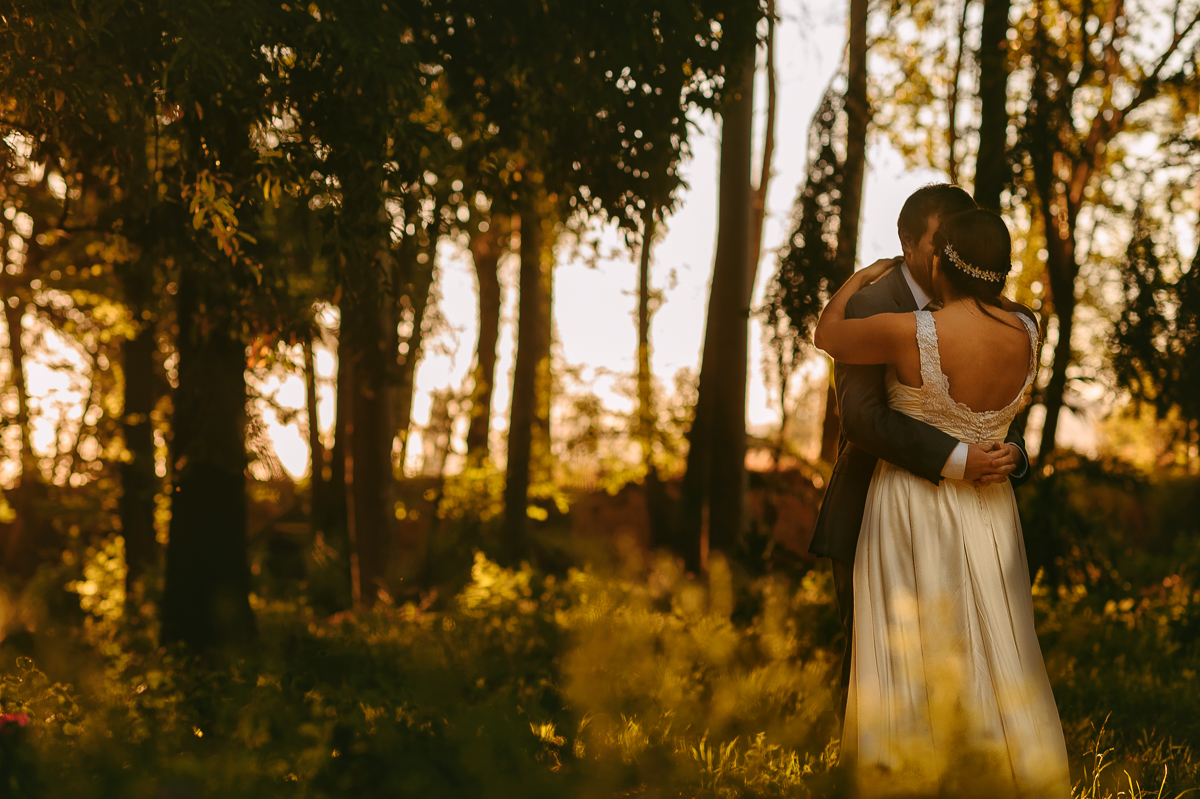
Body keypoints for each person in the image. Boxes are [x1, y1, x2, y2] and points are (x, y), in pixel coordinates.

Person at [813, 209, 1070, 796]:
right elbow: (987, 419)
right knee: (993, 637)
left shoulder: (910, 330)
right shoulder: (1027, 327)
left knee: (915, 649)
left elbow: (825, 337)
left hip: (910, 505)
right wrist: (1003, 455)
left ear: (939, 259)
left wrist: (856, 277)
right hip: (991, 508)